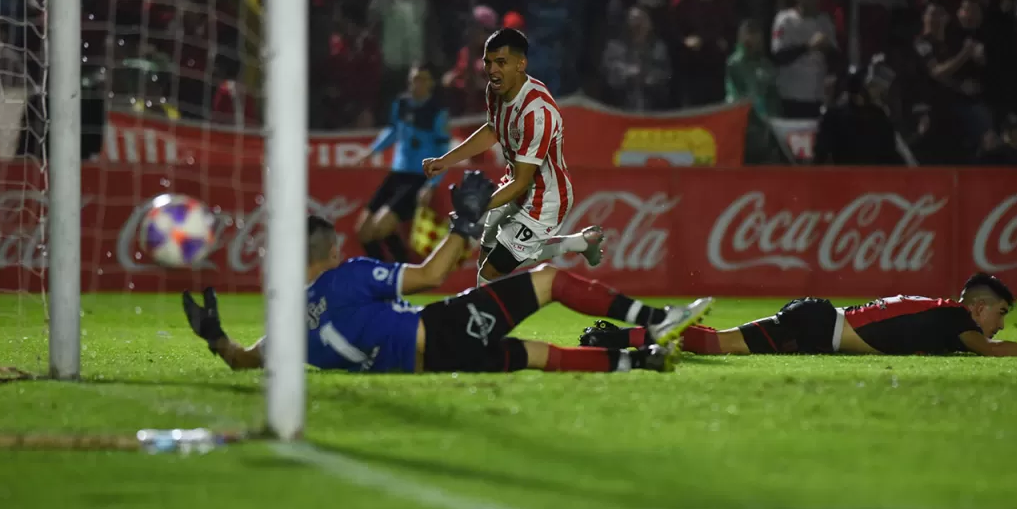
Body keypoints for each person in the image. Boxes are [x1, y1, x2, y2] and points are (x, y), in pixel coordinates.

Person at [182, 172, 714, 375]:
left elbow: (240, 361)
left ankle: (639, 361)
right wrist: (466, 219)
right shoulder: (347, 276)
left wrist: (215, 337)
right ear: (332, 248)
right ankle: (655, 320)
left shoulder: (289, 330)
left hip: (431, 365)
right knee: (548, 280)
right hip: (436, 331)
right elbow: (432, 274)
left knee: (533, 355)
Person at [421, 28, 604, 284]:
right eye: (488, 62)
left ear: (521, 64)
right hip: (516, 187)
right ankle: (580, 242)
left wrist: (473, 211)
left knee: (488, 276)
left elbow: (522, 181)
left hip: (544, 201)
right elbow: (491, 130)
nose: (492, 70)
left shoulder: (536, 113)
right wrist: (445, 160)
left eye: (501, 62)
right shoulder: (496, 90)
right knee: (487, 258)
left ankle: (487, 321)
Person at [579, 273, 1017, 357]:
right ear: (979, 306)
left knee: (714, 342)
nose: (999, 322)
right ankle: (614, 337)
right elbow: (992, 347)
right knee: (713, 344)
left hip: (819, 325)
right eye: (1000, 313)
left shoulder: (943, 315)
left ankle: (619, 336)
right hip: (816, 324)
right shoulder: (957, 320)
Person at [355, 65, 451, 262]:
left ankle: (402, 275)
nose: (417, 84)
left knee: (381, 228)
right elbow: (393, 131)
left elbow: (444, 153)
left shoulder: (437, 112)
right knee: (363, 231)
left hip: (418, 178)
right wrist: (372, 150)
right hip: (397, 174)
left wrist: (431, 185)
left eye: (423, 79)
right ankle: (381, 277)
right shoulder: (401, 104)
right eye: (414, 79)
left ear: (431, 83)